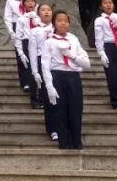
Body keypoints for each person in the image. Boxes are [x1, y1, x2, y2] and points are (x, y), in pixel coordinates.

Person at [41, 9, 91, 150]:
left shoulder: (73, 39)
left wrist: (72, 56)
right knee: (60, 111)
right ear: (54, 23)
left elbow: (87, 64)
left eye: (65, 21)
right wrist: (49, 86)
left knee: (76, 109)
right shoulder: (49, 42)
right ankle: (64, 142)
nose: (63, 23)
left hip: (73, 76)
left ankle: (76, 141)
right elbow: (45, 65)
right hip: (57, 75)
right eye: (59, 21)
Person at [26, 3, 57, 141]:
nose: (46, 12)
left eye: (49, 10)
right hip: (40, 60)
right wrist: (34, 71)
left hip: (56, 62)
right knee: (47, 96)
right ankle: (52, 128)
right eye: (43, 10)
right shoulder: (35, 31)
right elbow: (32, 51)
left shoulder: (57, 28)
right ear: (38, 13)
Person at [13, 0, 40, 108]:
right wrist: (20, 51)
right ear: (23, 4)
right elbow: (18, 36)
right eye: (27, 1)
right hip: (27, 42)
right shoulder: (21, 19)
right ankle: (34, 100)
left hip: (39, 43)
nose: (29, 3)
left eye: (32, 1)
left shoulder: (39, 18)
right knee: (31, 71)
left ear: (35, 3)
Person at [2, 0, 28, 91]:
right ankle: (25, 82)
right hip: (16, 26)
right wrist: (11, 31)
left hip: (28, 27)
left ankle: (33, 79)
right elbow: (7, 17)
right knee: (20, 54)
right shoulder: (10, 1)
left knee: (31, 53)